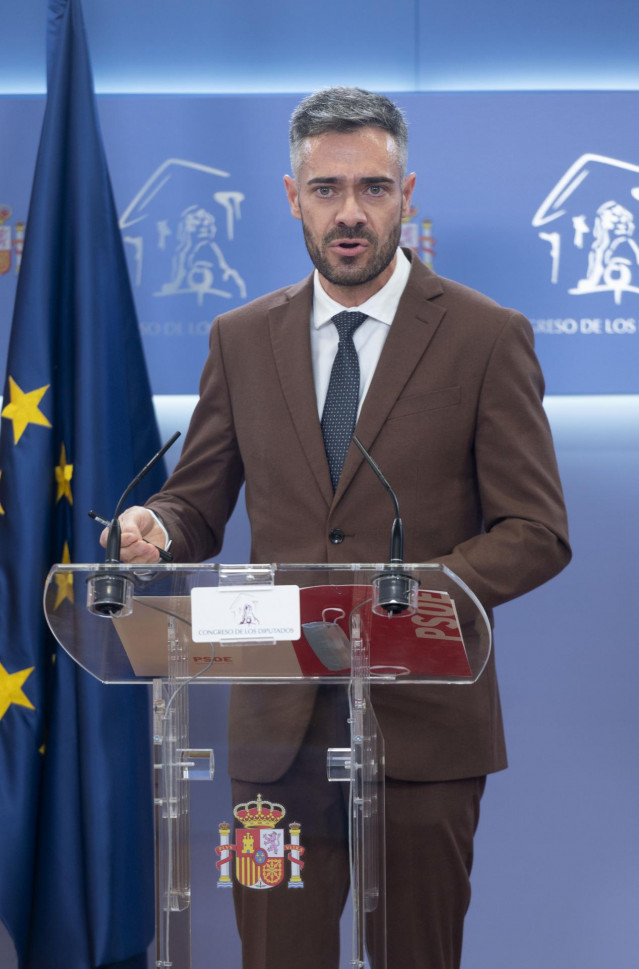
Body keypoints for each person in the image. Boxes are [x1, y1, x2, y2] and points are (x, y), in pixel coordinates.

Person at [105, 87, 571, 969]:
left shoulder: (484, 336)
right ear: (292, 197)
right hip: (271, 740)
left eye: (372, 187)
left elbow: (534, 528)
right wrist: (153, 530)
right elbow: (196, 502)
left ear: (407, 192)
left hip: (424, 730)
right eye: (326, 189)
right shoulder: (240, 338)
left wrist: (408, 599)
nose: (349, 212)